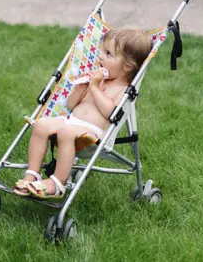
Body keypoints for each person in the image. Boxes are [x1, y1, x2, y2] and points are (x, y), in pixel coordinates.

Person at [13, 28, 152, 199]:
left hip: (91, 134)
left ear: (127, 66)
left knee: (66, 132)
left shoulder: (122, 89)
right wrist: (81, 87)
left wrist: (94, 88)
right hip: (71, 121)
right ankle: (32, 174)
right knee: (41, 124)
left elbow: (111, 113)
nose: (100, 56)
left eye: (108, 54)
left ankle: (57, 183)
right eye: (102, 50)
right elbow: (71, 105)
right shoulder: (97, 80)